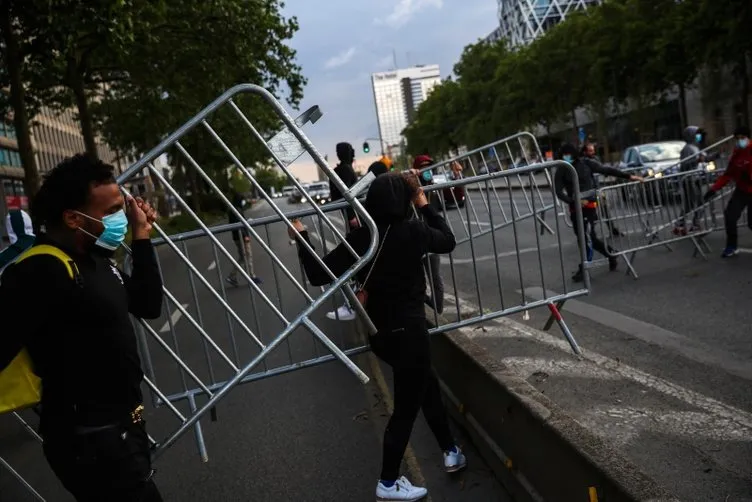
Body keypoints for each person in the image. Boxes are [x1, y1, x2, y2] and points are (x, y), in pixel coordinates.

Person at [290, 172, 466, 501]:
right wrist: (423, 202)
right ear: (403, 200)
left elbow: (317, 274)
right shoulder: (413, 231)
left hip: (380, 333)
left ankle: (450, 450)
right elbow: (447, 239)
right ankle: (387, 483)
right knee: (406, 409)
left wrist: (302, 237)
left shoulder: (363, 239)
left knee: (425, 385)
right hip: (410, 333)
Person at [0, 155, 164, 502]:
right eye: (114, 210)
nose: (123, 215)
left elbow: (148, 305)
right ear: (74, 217)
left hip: (123, 429)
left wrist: (141, 235)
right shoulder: (42, 269)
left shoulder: (96, 261)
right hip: (90, 441)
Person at [554, 143, 643, 282]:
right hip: (575, 209)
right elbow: (559, 191)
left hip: (589, 206)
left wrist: (629, 176)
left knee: (586, 238)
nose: (566, 157)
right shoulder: (562, 169)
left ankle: (585, 269)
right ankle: (611, 254)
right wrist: (572, 201)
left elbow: (606, 169)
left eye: (568, 155)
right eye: (564, 155)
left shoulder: (586, 163)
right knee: (587, 238)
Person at [703, 125, 752, 258]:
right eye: (738, 138)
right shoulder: (737, 153)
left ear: (748, 137)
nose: (740, 140)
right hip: (742, 190)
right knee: (730, 216)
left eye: (743, 138)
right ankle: (731, 246)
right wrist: (713, 189)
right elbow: (728, 174)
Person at [326, 142, 360, 321]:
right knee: (357, 256)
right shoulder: (345, 170)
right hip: (354, 217)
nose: (353, 152)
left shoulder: (339, 170)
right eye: (350, 150)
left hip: (351, 216)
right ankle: (352, 300)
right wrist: (351, 216)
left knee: (355, 255)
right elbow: (347, 194)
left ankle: (353, 298)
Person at [675, 125, 718, 234]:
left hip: (698, 178)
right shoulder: (687, 149)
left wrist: (716, 154)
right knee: (692, 203)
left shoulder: (697, 147)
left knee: (700, 202)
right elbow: (684, 164)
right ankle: (682, 224)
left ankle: (693, 223)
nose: (699, 137)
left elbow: (705, 159)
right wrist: (697, 161)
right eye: (697, 134)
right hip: (689, 179)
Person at [581, 142, 622, 237]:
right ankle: (589, 233)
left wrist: (606, 172)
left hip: (598, 189)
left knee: (605, 210)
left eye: (593, 150)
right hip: (588, 192)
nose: (593, 152)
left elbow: (601, 168)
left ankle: (612, 229)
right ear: (584, 152)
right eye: (590, 151)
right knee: (591, 214)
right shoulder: (583, 162)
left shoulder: (595, 159)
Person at [226, 188, 262, 286]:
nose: (243, 201)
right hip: (241, 237)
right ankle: (252, 277)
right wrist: (245, 235)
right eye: (242, 199)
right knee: (248, 255)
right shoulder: (236, 210)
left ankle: (232, 276)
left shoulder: (233, 209)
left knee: (242, 257)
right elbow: (239, 223)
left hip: (236, 236)